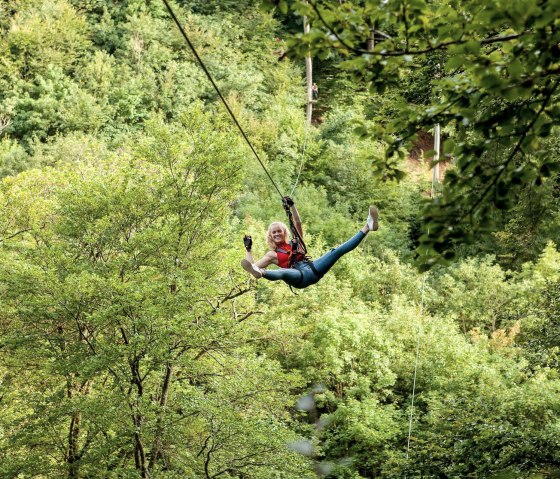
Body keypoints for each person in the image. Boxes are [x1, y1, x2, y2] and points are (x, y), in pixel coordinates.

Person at [241, 198, 378, 289]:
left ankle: (368, 226)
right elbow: (252, 267)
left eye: (279, 231)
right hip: (298, 277)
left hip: (312, 269)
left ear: (284, 233)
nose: (276, 234)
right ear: (270, 236)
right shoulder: (272, 255)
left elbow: (298, 223)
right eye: (274, 233)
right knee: (282, 272)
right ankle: (263, 274)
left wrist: (292, 206)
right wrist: (248, 250)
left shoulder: (295, 242)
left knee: (336, 251)